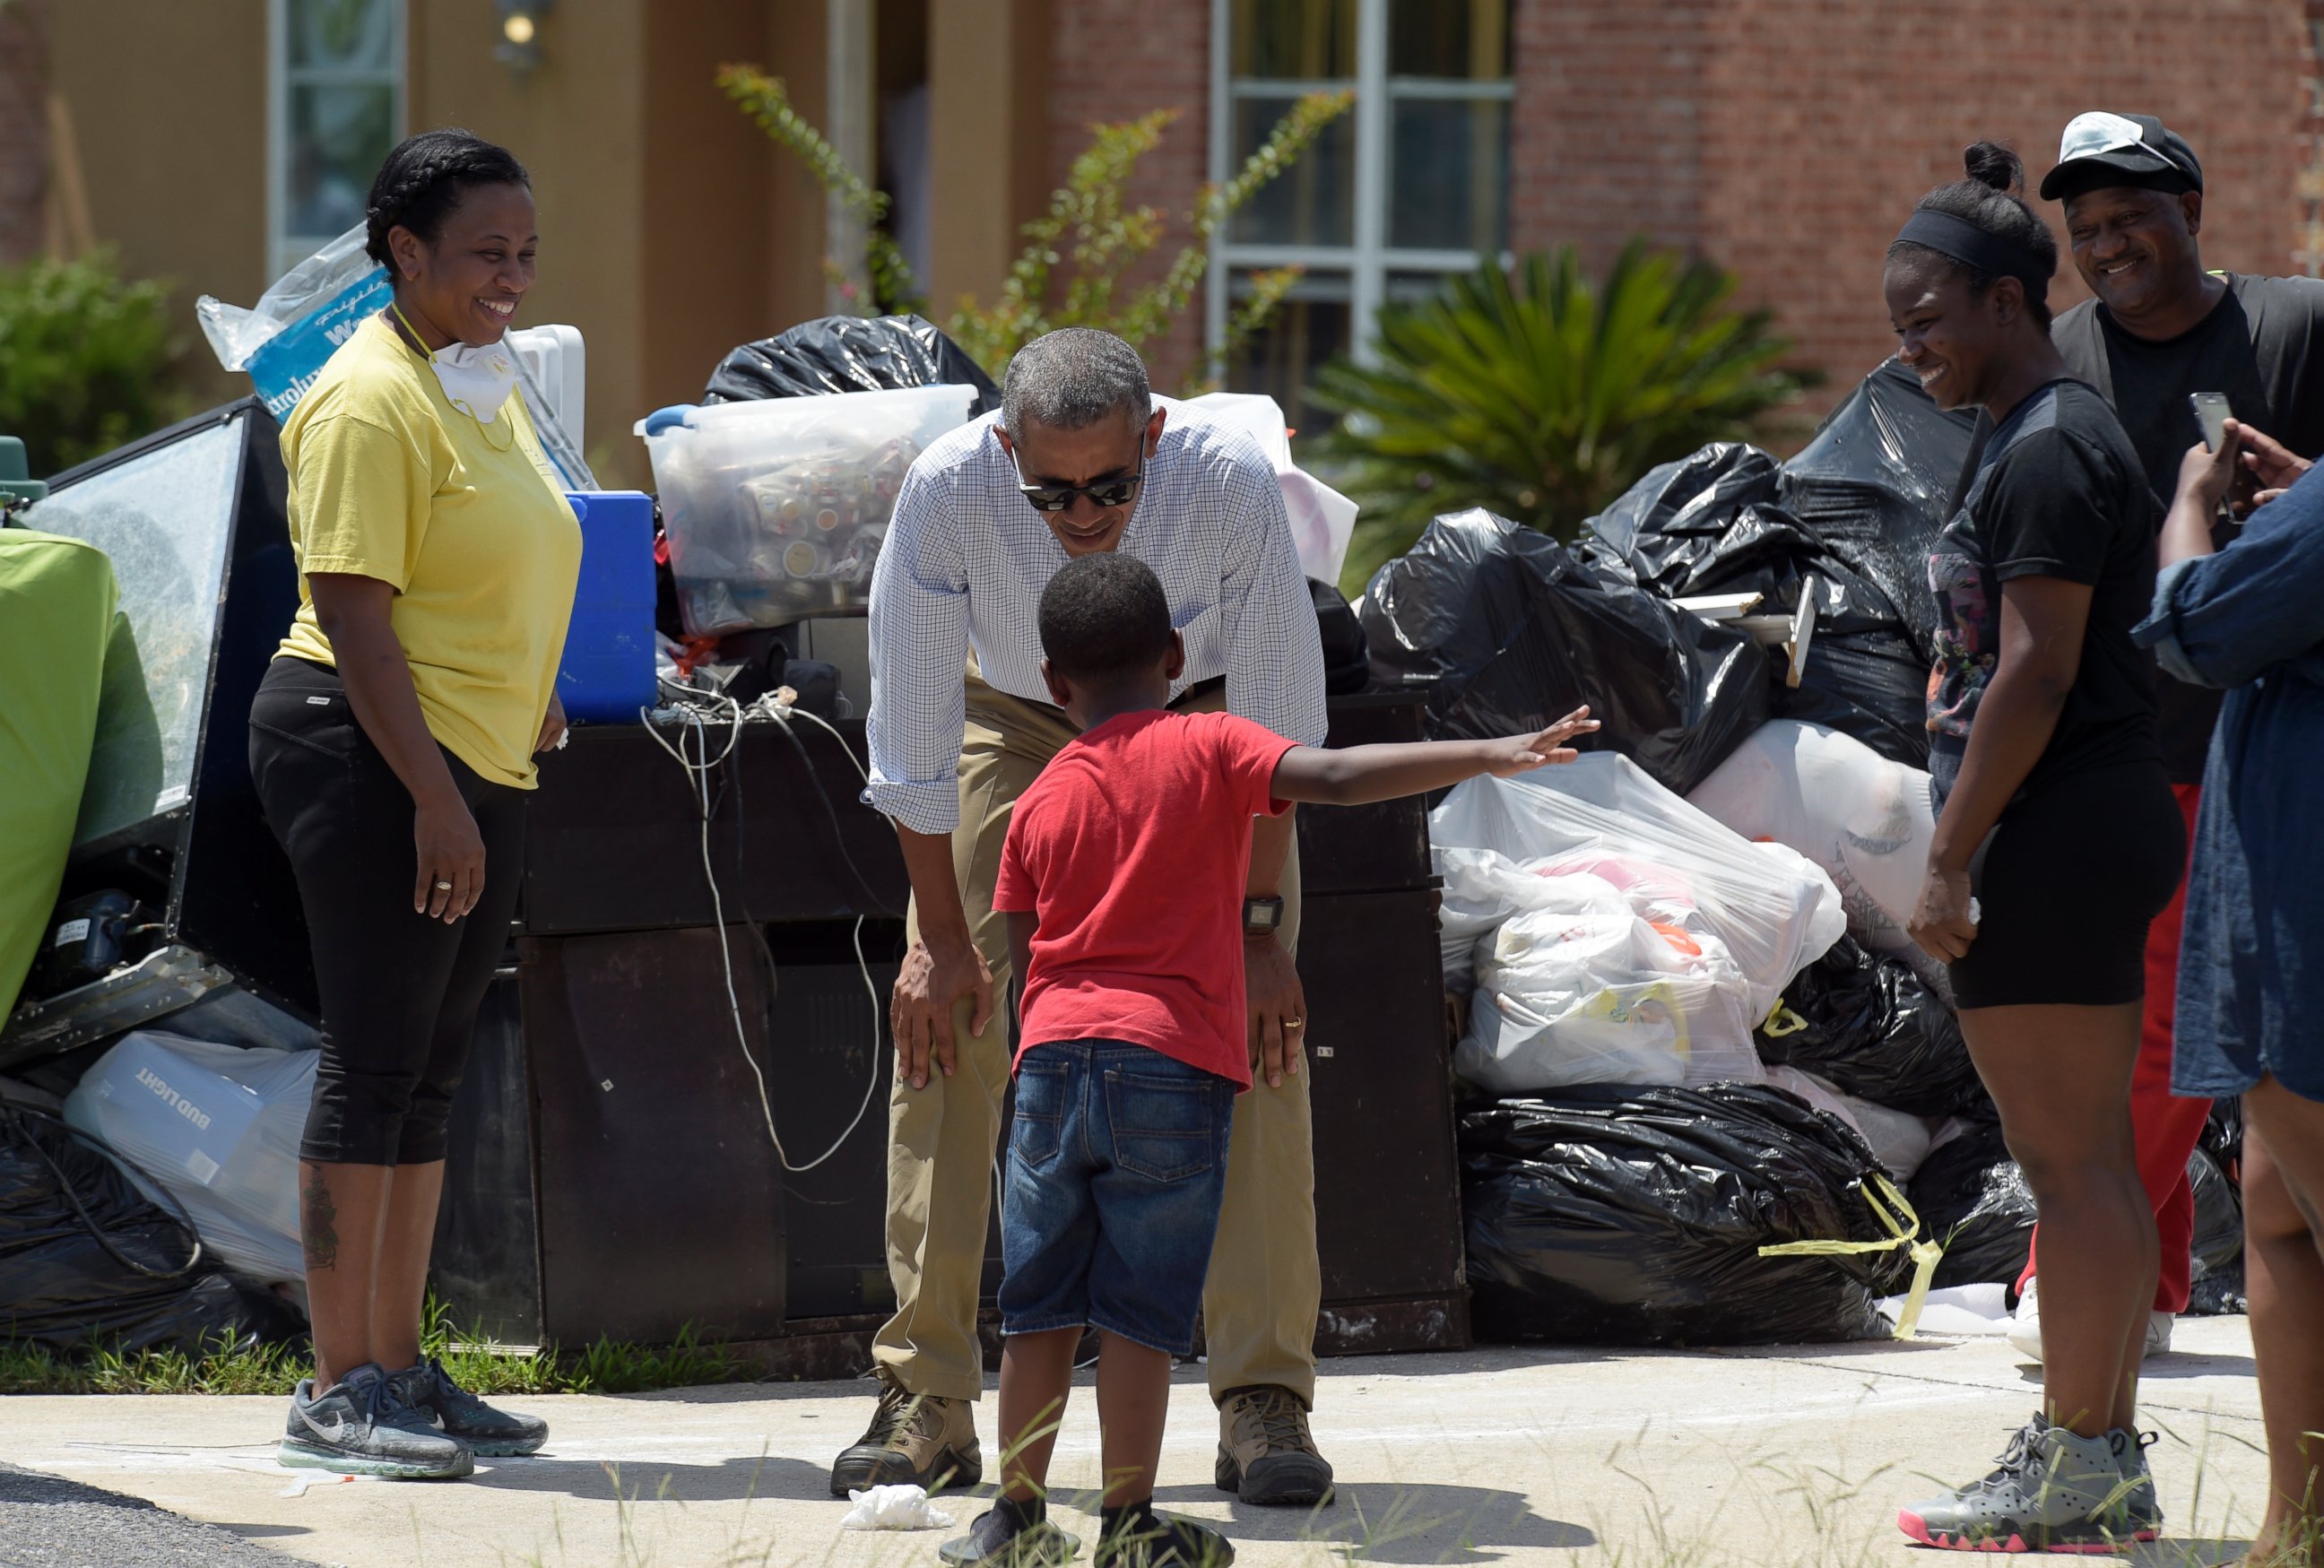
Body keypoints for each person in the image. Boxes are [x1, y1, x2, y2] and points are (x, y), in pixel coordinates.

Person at [941, 552, 1596, 1566]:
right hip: (1170, 1069)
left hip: (1054, 1072)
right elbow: (1332, 777)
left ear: (1053, 684)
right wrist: (1489, 752)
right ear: (1172, 657)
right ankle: (1127, 1524)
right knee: (1139, 1315)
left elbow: (1031, 963)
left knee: (1037, 1310)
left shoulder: (1036, 804)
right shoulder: (1210, 744)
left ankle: (1013, 1521)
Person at [845, 329, 1337, 1506]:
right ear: (1005, 447)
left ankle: (1263, 1393)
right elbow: (911, 741)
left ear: (1152, 440)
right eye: (1051, 488)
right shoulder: (948, 490)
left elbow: (1278, 721)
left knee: (1247, 1029)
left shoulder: (1224, 480)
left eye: (1111, 485)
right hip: (1017, 718)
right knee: (948, 1020)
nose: (1081, 511)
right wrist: (939, 944)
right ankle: (927, 1391)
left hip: (1204, 722)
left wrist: (1256, 930)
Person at [251, 128, 578, 1479]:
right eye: (485, 254)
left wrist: (531, 690)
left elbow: (490, 559)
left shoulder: (471, 381)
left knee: (430, 1077)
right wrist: (434, 798)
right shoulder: (366, 397)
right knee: (373, 1061)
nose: (510, 278)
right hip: (371, 750)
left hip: (474, 756)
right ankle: (338, 1388)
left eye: (525, 254)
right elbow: (355, 613)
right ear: (405, 253)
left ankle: (395, 1364)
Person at [1886, 143, 2184, 1552]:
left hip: (2051, 829)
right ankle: (2098, 1452)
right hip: (2078, 821)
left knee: (2068, 1169)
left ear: (2010, 302)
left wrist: (1949, 856)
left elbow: (2036, 670)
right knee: (2095, 1163)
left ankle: (2079, 1460)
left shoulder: (2054, 444)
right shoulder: (2037, 432)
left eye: (1931, 317)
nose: (1913, 347)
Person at [2006, 110, 2324, 1366]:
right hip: (2110, 743)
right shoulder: (2064, 361)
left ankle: (2076, 1281)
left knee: (2170, 1027)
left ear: (2192, 202)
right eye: (2083, 229)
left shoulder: (2298, 324)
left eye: (2130, 213)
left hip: (2261, 741)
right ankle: (2143, 1280)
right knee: (2144, 1018)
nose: (2106, 242)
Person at [2140, 422, 2324, 1565]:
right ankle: (2294, 1527)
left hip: (2308, 901)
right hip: (2289, 883)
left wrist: (2190, 505)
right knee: (2271, 1210)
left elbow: (2195, 625)